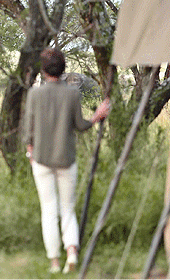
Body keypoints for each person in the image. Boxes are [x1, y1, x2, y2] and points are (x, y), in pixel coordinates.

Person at [22, 48, 110, 274]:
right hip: (66, 159)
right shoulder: (72, 93)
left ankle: (54, 262)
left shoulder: (34, 94)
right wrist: (97, 116)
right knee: (68, 208)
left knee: (49, 210)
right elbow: (80, 126)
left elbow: (27, 130)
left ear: (43, 69)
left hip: (41, 160)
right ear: (63, 69)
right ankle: (72, 252)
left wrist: (30, 152)